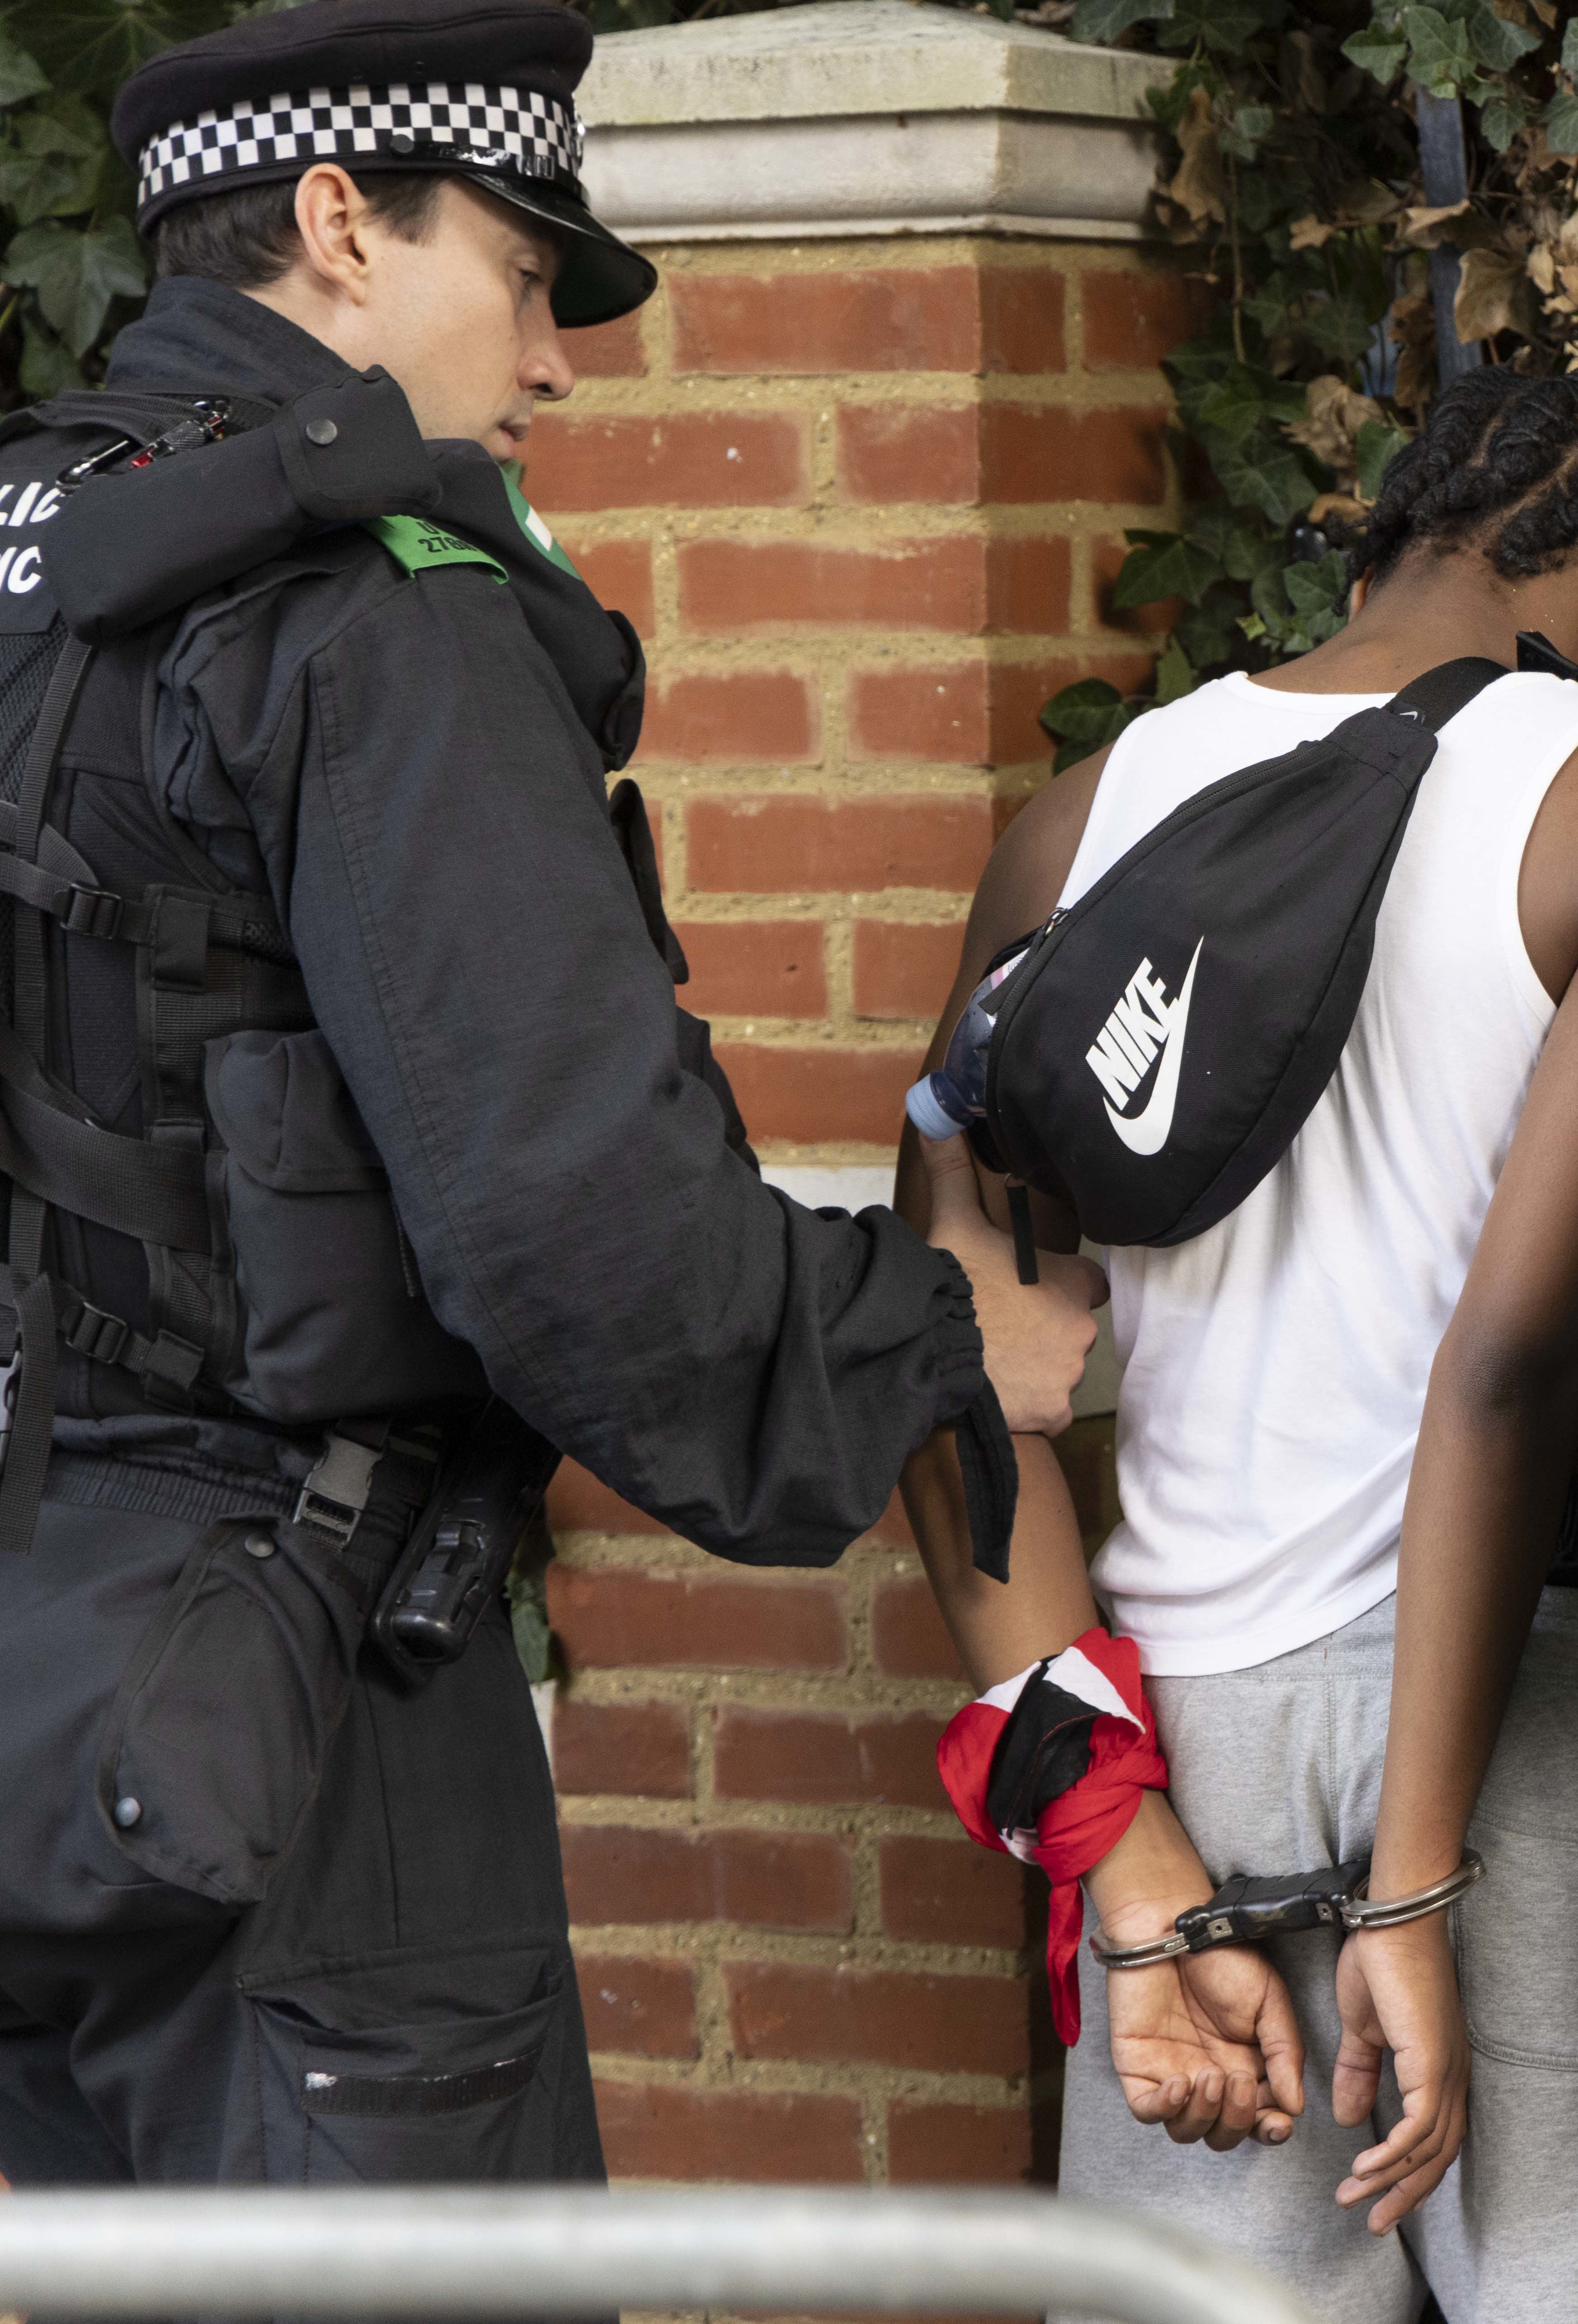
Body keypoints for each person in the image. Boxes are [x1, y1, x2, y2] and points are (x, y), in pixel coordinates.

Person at [0, 0, 1098, 2194]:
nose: (560, 360)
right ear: (337, 225)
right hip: (299, 1729)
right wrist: (943, 1339)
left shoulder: (39, 558)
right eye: (520, 274)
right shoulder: (371, 606)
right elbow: (584, 1237)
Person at [897, 365, 1578, 2323]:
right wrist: (1411, 1876)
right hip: (1532, 1732)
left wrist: (1119, 1844)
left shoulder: (1078, 824)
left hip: (1187, 1758)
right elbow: (1509, 1356)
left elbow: (944, 1372)